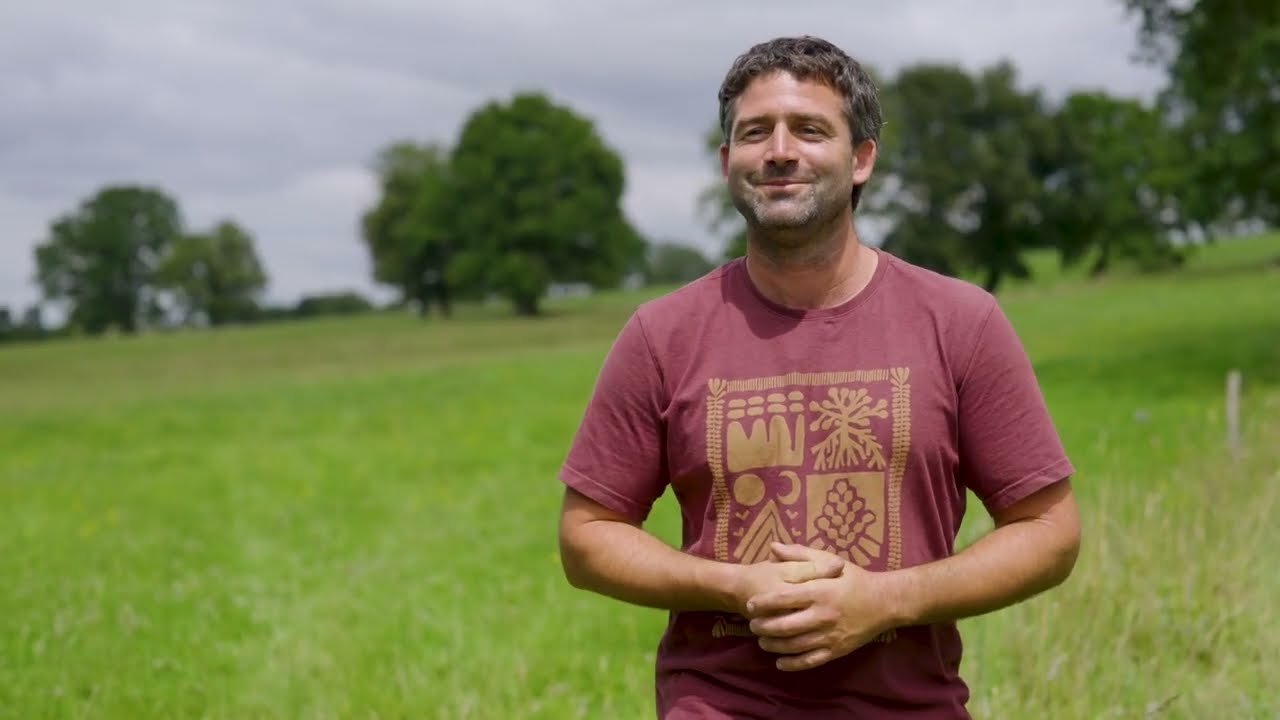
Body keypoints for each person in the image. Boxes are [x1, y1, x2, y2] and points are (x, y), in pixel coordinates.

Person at [556, 35, 1080, 719]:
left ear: (860, 158)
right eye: (754, 133)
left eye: (809, 129)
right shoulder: (662, 334)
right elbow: (586, 535)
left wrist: (886, 600)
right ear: (727, 162)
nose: (779, 151)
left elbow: (1049, 528)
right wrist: (736, 585)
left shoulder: (959, 322)